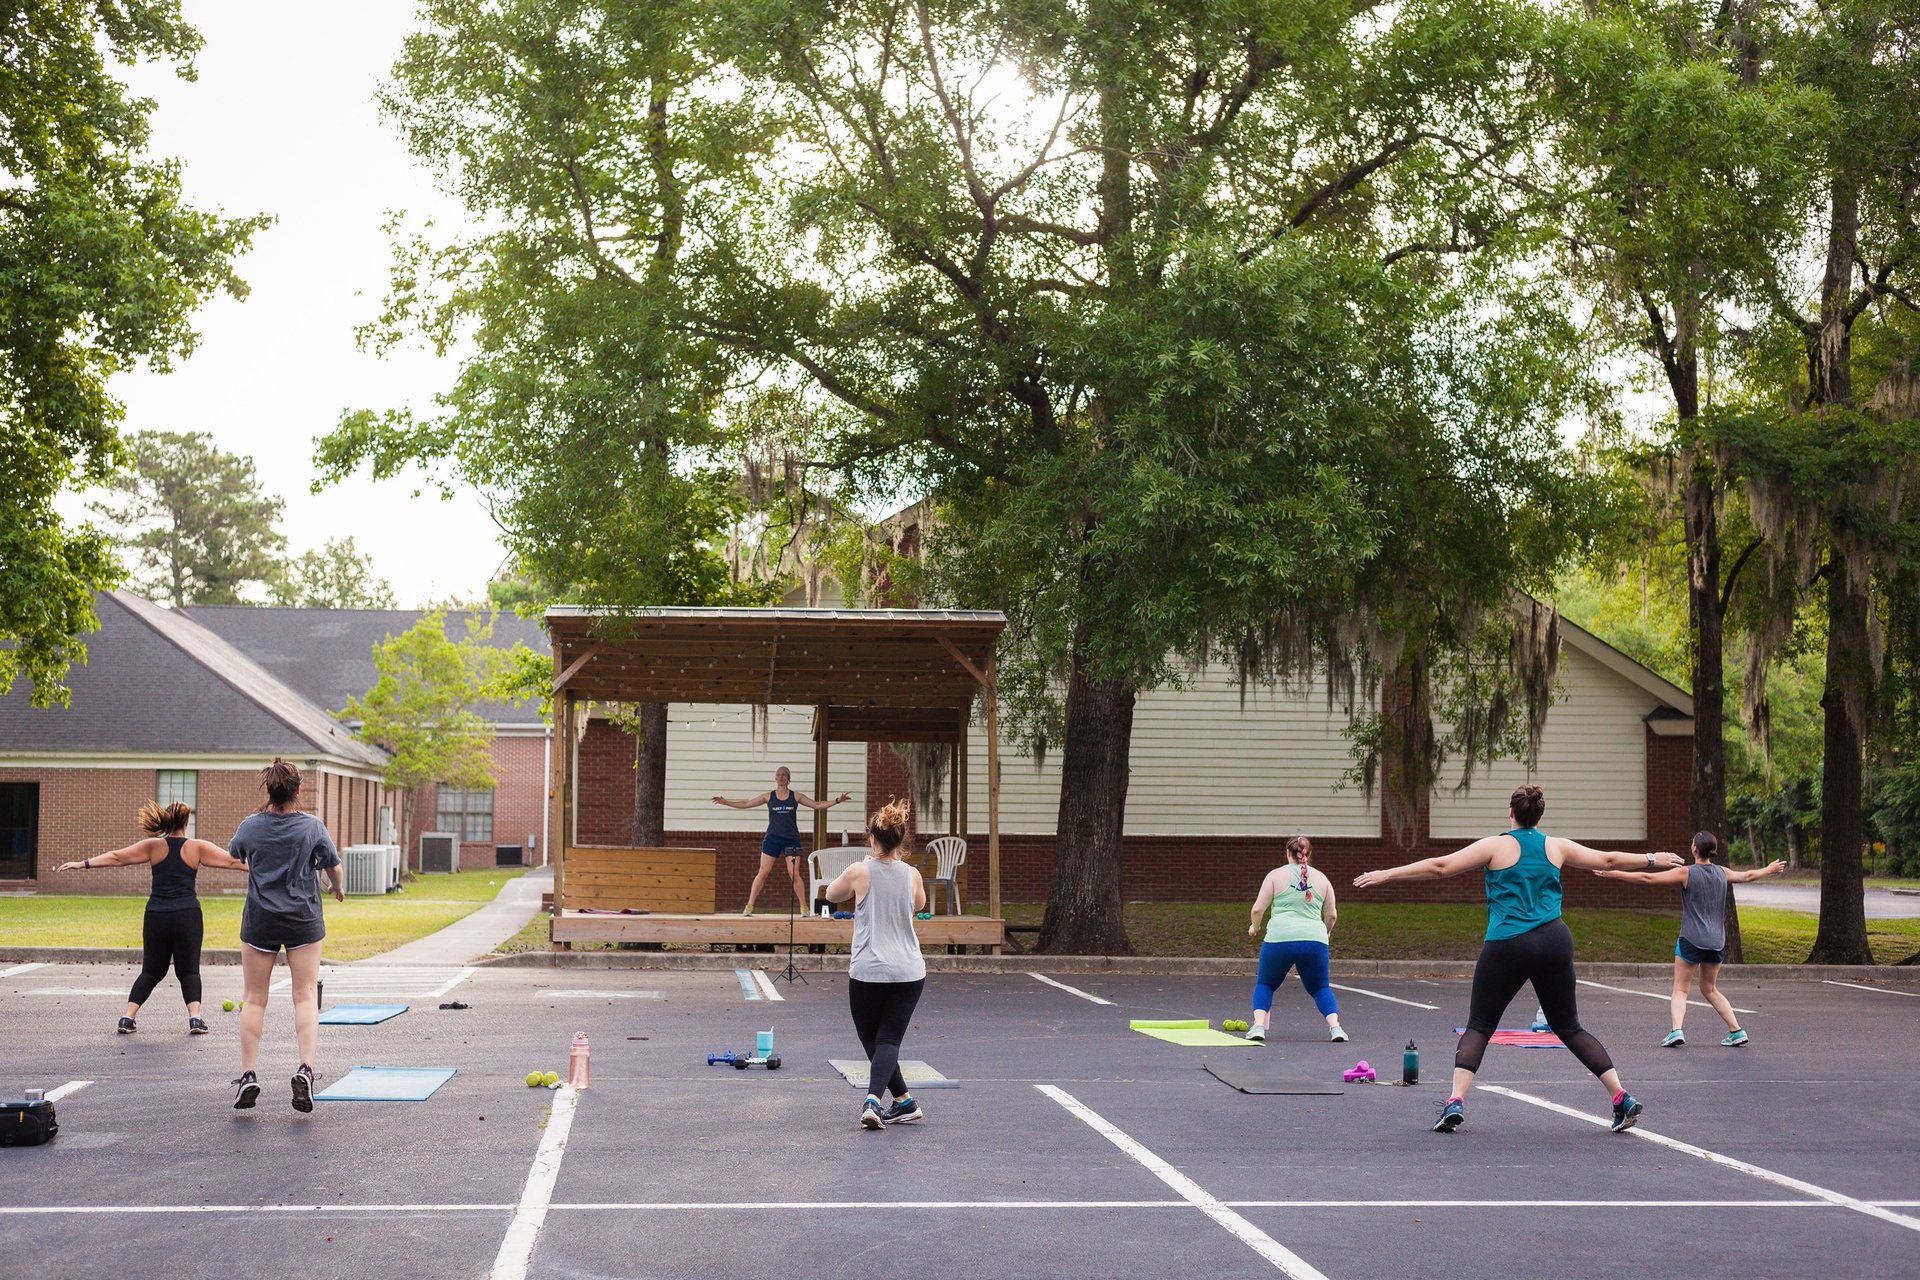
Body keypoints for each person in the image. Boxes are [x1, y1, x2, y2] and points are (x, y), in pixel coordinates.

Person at [1352, 784, 1683, 1134]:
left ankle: (1455, 1102)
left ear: (1511, 812)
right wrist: (1652, 858)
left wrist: (1387, 873)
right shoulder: (1555, 846)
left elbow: (1440, 866)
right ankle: (1621, 1098)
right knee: (1568, 1026)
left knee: (1480, 1025)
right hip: (1554, 940)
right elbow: (1608, 860)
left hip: (1508, 943)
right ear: (1539, 815)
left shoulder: (1495, 845)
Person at [57, 801, 245, 1036]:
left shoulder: (153, 846)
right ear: (187, 823)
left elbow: (117, 857)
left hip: (156, 915)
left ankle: (127, 1017)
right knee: (189, 971)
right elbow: (232, 861)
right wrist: (274, 868)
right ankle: (195, 1019)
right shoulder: (196, 847)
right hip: (187, 915)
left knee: (151, 971)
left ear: (166, 821)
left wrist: (82, 864)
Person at [226, 759, 345, 1113]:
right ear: (298, 790)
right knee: (305, 995)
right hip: (303, 919)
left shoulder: (250, 826)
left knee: (254, 998)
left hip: (261, 920)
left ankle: (248, 1075)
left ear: (270, 790)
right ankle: (306, 1069)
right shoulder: (312, 827)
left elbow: (236, 855)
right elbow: (333, 866)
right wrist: (336, 887)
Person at [1595, 831, 1786, 1048]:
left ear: (1695, 849)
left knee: (1681, 989)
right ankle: (1736, 1031)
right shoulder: (1723, 873)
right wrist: (1769, 869)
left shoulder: (1686, 873)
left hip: (1691, 940)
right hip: (1716, 942)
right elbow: (1748, 876)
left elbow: (1647, 877)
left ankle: (1676, 1030)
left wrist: (1614, 873)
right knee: (1710, 989)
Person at [823, 797, 927, 1131]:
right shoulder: (912, 875)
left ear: (872, 838)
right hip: (909, 971)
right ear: (901, 840)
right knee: (886, 1041)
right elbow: (919, 904)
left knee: (875, 1040)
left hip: (869, 971)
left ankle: (872, 1101)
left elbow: (831, 894)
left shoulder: (859, 871)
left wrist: (863, 868)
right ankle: (905, 1102)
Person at [1246, 836, 1347, 1043]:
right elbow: (1332, 915)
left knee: (1265, 984)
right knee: (1320, 988)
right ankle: (1336, 1028)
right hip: (1314, 940)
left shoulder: (1275, 875)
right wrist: (1325, 933)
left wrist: (1254, 927)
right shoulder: (1323, 879)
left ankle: (1258, 1026)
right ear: (1309, 855)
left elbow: (1258, 909)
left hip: (1279, 939)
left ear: (1287, 853)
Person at [712, 767, 851, 915]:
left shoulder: (796, 796)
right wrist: (726, 802)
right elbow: (746, 804)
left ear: (788, 778)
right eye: (778, 774)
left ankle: (803, 907)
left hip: (791, 840)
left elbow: (816, 805)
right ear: (775, 778)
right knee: (763, 872)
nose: (781, 777)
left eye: (784, 774)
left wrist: (837, 800)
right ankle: (749, 906)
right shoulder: (768, 797)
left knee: (794, 874)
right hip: (772, 839)